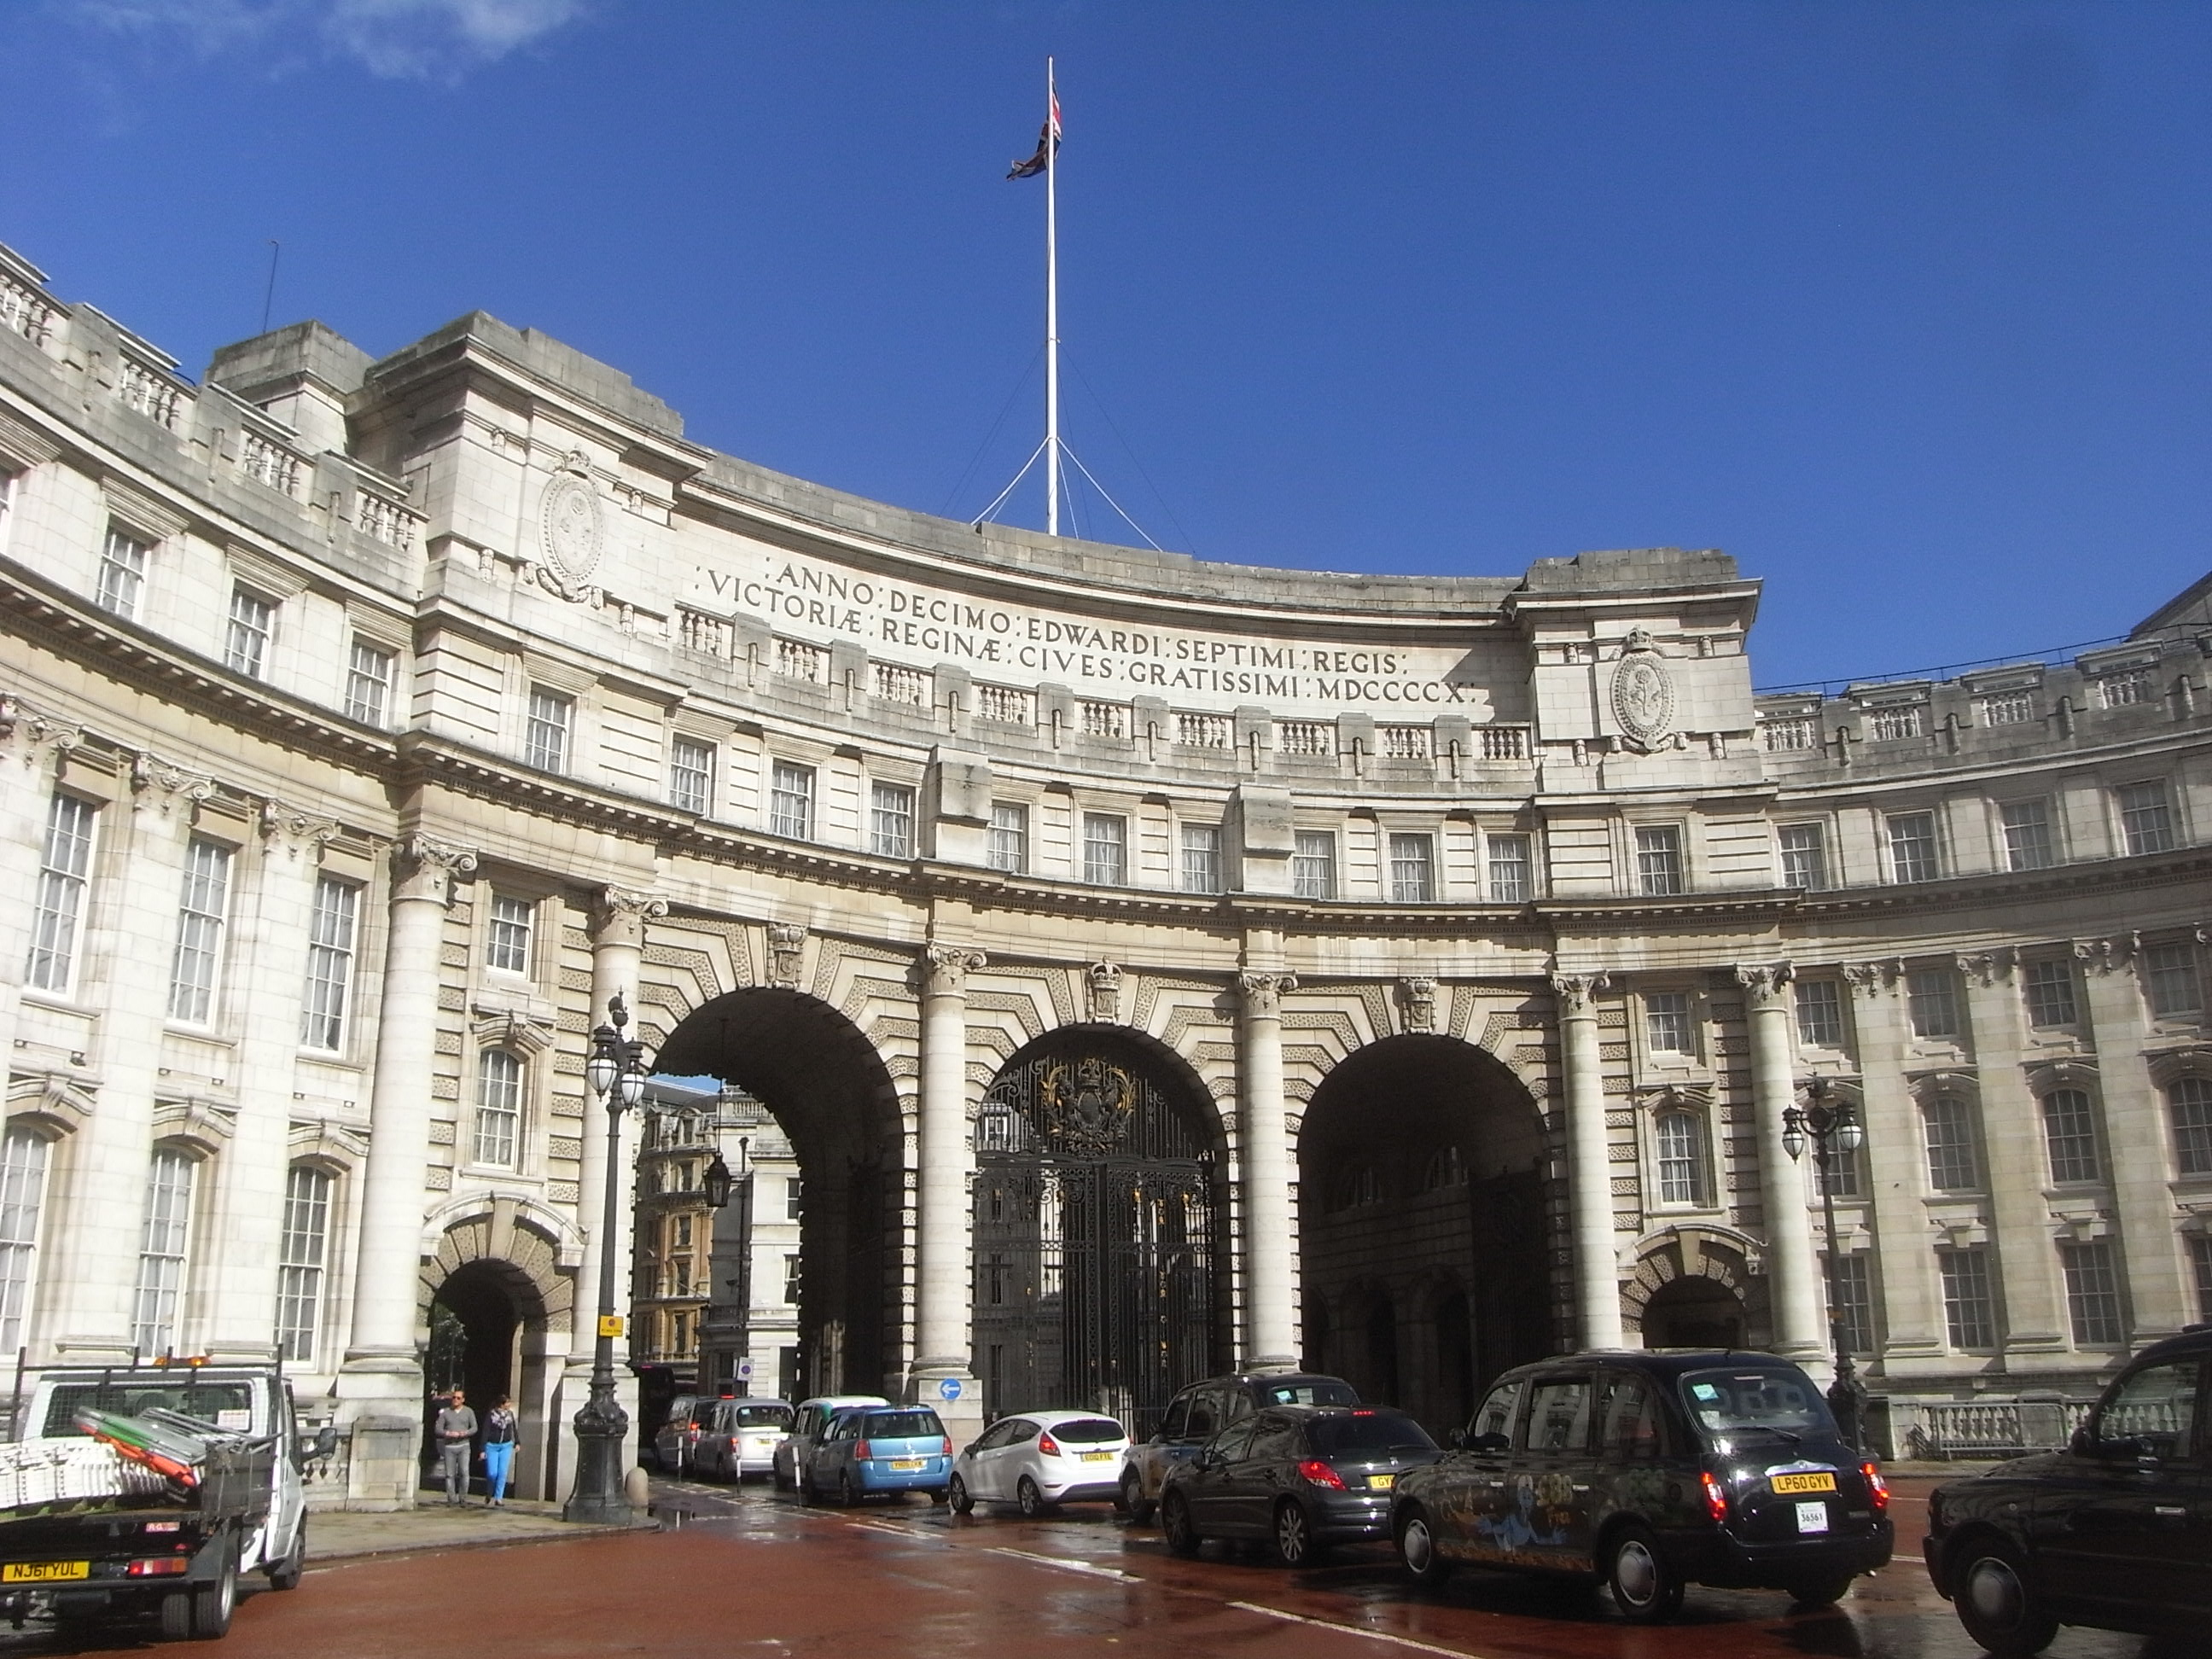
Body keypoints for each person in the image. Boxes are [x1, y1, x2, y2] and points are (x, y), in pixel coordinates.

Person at [434, 1389, 477, 1506]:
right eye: (454, 1397)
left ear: (463, 1400)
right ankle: (451, 1499)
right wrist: (448, 1433)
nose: (455, 1400)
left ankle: (463, 1498)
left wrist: (465, 1433)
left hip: (464, 1446)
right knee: (449, 1474)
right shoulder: (446, 1413)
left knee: (464, 1472)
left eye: (458, 1398)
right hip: (449, 1447)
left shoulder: (468, 1411)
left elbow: (474, 1427)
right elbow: (438, 1429)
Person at [481, 1394, 520, 1506]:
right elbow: (486, 1431)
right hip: (492, 1446)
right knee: (492, 1473)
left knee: (502, 1472)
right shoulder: (491, 1414)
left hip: (506, 1445)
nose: (509, 1405)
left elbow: (513, 1428)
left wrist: (517, 1442)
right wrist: (482, 1448)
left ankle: (499, 1498)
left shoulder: (510, 1414)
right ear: (502, 1404)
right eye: (507, 1403)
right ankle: (489, 1492)